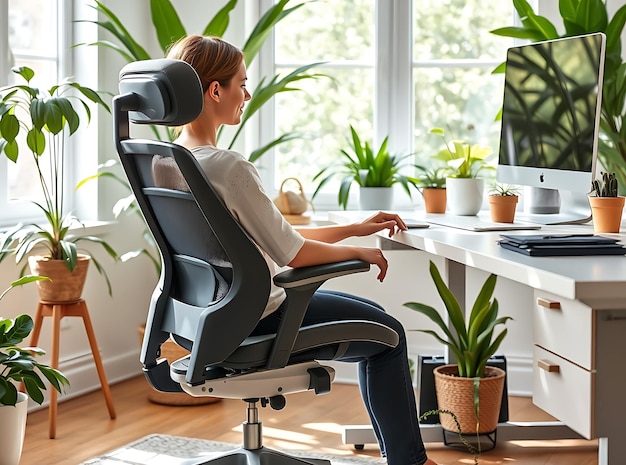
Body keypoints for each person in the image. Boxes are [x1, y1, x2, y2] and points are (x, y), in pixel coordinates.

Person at [166, 35, 438, 465]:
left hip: (204, 319)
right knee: (388, 336)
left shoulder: (165, 162)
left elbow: (275, 238)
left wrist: (353, 228)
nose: (247, 93)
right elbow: (293, 255)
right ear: (215, 90)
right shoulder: (228, 167)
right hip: (261, 319)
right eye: (241, 82)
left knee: (376, 321)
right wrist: (361, 252)